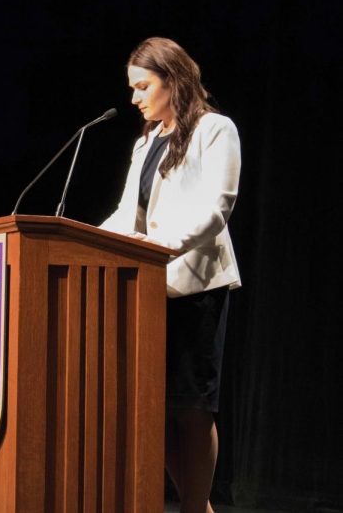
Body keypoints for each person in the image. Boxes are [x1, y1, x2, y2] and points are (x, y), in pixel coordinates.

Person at [100, 37, 241, 513]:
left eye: (143, 86)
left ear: (173, 80)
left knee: (191, 409)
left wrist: (161, 248)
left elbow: (217, 208)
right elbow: (127, 214)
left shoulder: (214, 129)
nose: (135, 97)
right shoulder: (146, 141)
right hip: (148, 289)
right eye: (133, 88)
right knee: (153, 409)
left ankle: (195, 505)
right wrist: (87, 241)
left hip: (197, 284)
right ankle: (198, 508)